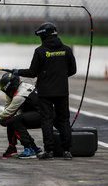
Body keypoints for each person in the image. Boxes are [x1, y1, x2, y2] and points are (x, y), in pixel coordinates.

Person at [13, 22, 77, 160]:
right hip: (62, 91)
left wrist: (17, 71)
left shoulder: (40, 51)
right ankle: (67, 150)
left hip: (45, 93)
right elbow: (73, 70)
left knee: (46, 121)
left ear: (44, 36)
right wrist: (59, 77)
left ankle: (49, 151)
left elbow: (32, 72)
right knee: (64, 120)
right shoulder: (66, 50)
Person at [0, 72, 42, 159]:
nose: (7, 93)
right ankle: (27, 148)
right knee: (11, 120)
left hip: (43, 115)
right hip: (33, 112)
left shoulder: (20, 94)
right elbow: (8, 107)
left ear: (12, 86)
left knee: (15, 121)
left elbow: (10, 110)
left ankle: (29, 149)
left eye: (8, 91)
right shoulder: (16, 88)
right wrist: (3, 119)